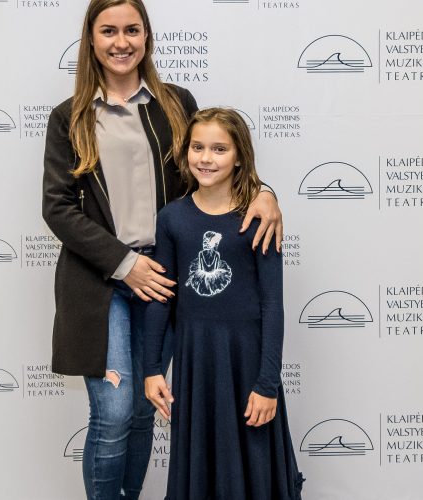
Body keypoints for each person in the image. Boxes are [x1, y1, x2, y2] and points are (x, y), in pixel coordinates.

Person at [42, 0, 283, 498]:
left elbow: (213, 164)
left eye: (132, 29)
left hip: (168, 281)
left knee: (142, 409)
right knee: (112, 412)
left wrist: (265, 191)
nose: (121, 41)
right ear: (90, 39)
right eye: (108, 30)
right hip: (99, 282)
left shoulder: (175, 103)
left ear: (147, 36)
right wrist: (126, 264)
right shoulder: (68, 118)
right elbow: (58, 208)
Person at [144, 108, 304, 500]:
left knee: (252, 466)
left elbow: (272, 304)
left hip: (246, 365)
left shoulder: (258, 216)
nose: (206, 157)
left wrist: (267, 383)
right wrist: (152, 369)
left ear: (239, 156)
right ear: (185, 153)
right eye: (198, 147)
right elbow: (162, 298)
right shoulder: (171, 219)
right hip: (196, 363)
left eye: (219, 148)